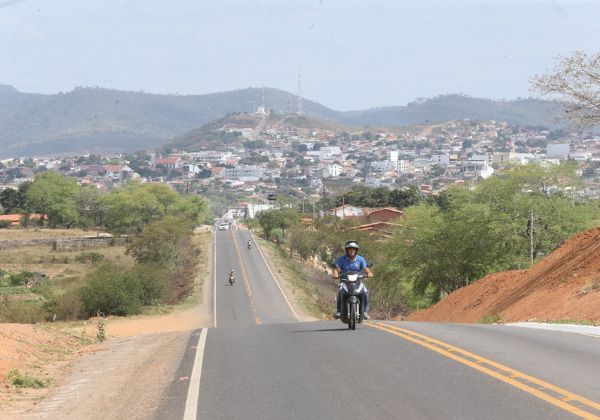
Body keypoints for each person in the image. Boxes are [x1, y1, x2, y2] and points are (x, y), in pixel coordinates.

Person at [332, 240, 373, 320]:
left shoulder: (360, 259)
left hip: (357, 282)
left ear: (356, 250)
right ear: (347, 250)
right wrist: (335, 274)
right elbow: (336, 269)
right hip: (344, 281)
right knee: (340, 291)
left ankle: (364, 311)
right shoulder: (341, 259)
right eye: (350, 249)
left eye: (353, 249)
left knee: (365, 292)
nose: (352, 251)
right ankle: (339, 310)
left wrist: (369, 273)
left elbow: (365, 268)